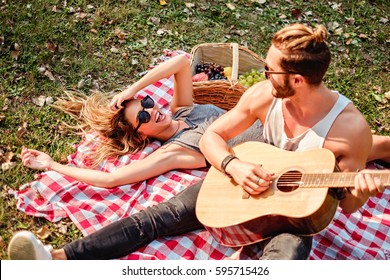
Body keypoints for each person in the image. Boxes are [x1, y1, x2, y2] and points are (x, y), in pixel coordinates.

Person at [8, 23, 389, 260]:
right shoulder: (262, 97)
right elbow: (213, 136)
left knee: (286, 257)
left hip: (296, 207)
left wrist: (363, 192)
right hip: (239, 178)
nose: (263, 73)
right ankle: (57, 259)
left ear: (298, 81)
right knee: (157, 217)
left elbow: (349, 204)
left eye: (270, 69)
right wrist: (234, 165)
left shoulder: (350, 130)